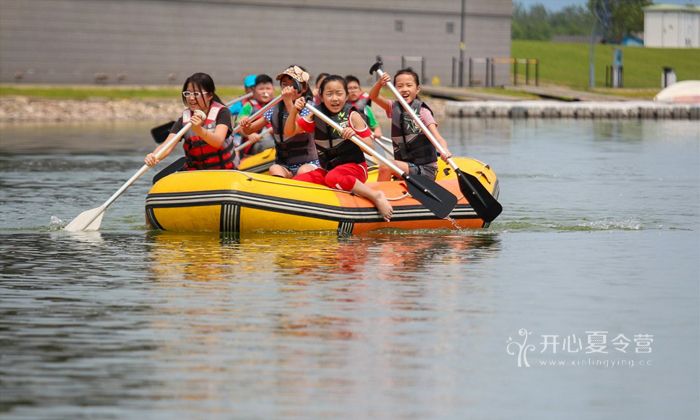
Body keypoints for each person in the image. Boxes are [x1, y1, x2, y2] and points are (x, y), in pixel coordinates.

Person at [286, 74, 393, 221]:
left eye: (339, 93)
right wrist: (293, 111)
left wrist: (355, 136)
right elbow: (289, 131)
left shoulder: (353, 116)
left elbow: (370, 149)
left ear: (346, 95)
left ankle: (376, 196)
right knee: (298, 181)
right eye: (329, 94)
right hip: (328, 169)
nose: (335, 98)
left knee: (333, 177)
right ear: (321, 97)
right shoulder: (316, 113)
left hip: (355, 168)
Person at [369, 68, 452, 182]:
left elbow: (438, 138)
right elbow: (373, 96)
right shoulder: (393, 108)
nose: (404, 89)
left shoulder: (423, 112)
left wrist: (444, 150)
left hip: (424, 169)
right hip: (405, 168)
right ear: (394, 89)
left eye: (409, 85)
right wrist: (379, 83)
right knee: (386, 166)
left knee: (386, 166)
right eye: (400, 86)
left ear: (417, 89)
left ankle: (381, 197)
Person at [239, 65, 319, 178]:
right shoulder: (275, 108)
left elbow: (301, 127)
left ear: (304, 88)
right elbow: (250, 130)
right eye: (284, 84)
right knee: (274, 168)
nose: (288, 88)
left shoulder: (310, 107)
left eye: (292, 85)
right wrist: (246, 126)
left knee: (303, 171)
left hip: (308, 163)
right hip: (284, 164)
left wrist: (288, 102)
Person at [145, 72, 234, 171]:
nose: (191, 98)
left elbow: (218, 141)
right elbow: (167, 146)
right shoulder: (184, 119)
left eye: (196, 94)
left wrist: (198, 130)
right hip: (194, 173)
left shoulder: (222, 113)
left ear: (209, 95)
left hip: (223, 171)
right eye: (187, 93)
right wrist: (154, 156)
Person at [236, 74, 276, 156]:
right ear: (254, 91)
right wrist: (249, 134)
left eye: (268, 89)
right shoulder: (248, 105)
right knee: (272, 145)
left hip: (275, 139)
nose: (265, 92)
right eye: (261, 89)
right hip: (256, 144)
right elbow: (239, 125)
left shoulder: (278, 103)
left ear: (273, 90)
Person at [345, 75, 382, 139]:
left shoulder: (365, 107)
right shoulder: (340, 106)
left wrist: (377, 131)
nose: (353, 91)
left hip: (363, 138)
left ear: (360, 90)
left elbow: (375, 125)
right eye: (350, 88)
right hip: (347, 137)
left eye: (355, 88)